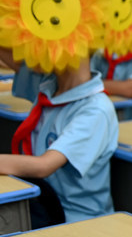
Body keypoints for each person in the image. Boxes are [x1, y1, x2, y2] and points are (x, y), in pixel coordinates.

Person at [0, 54, 117, 226]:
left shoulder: (96, 110)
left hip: (75, 218)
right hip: (41, 201)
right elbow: (17, 62)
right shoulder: (51, 85)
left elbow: (43, 166)